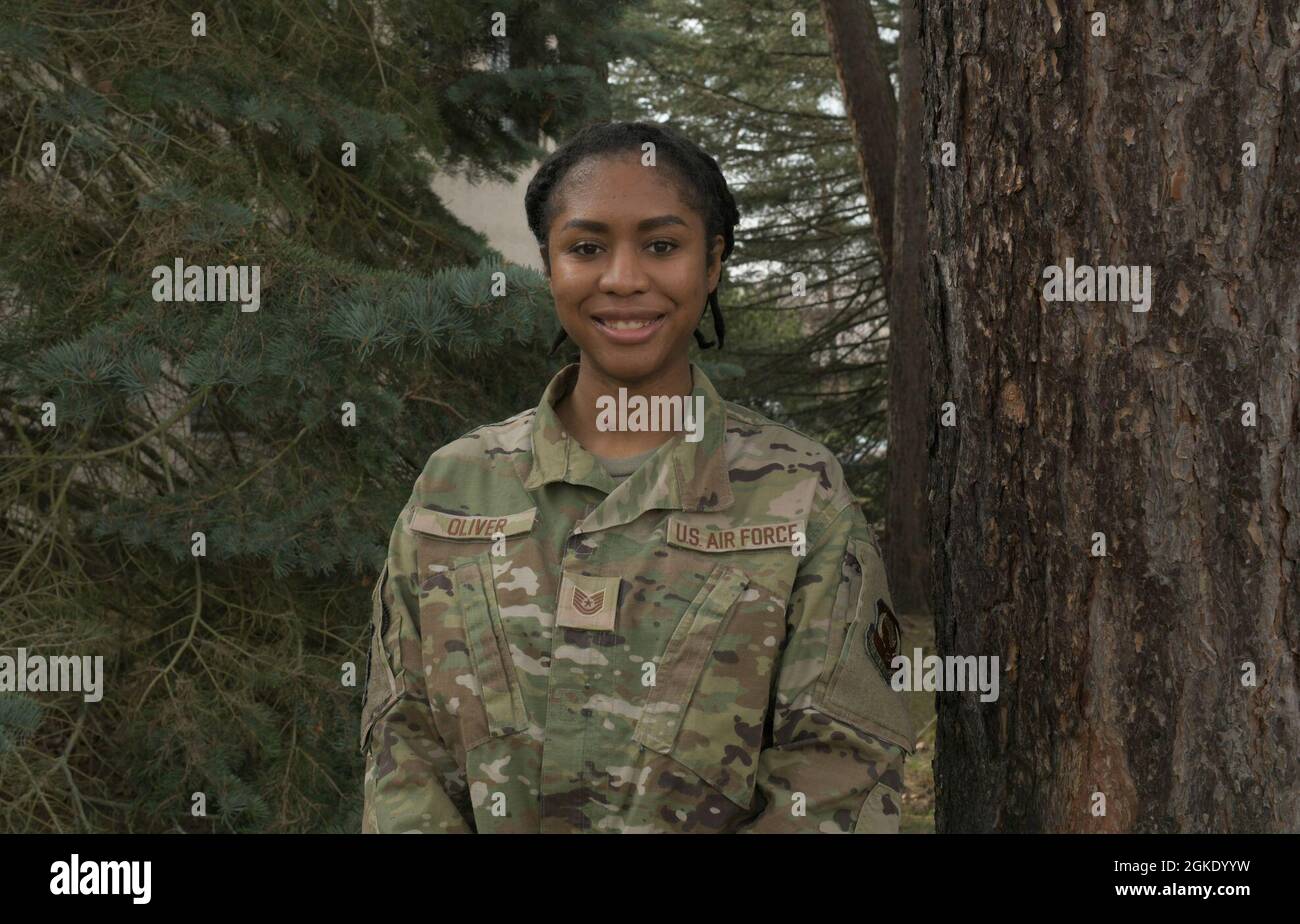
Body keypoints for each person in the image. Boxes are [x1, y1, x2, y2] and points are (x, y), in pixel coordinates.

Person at [359, 120, 915, 833]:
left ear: (712, 263)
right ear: (549, 263)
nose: (623, 279)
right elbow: (401, 750)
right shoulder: (454, 488)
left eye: (662, 246)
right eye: (586, 248)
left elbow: (841, 773)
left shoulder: (799, 494)